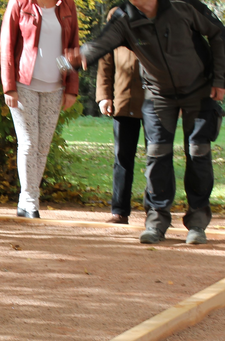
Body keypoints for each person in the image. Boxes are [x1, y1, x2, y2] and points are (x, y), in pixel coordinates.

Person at [66, 0, 225, 244]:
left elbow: (217, 32)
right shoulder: (123, 18)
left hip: (199, 89)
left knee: (198, 150)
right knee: (157, 153)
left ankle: (197, 223)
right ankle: (156, 221)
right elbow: (100, 45)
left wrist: (219, 78)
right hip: (158, 93)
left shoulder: (183, 6)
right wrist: (73, 58)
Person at [0, 0, 80, 219]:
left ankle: (27, 200)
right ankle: (29, 201)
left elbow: (73, 47)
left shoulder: (67, 5)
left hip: (55, 87)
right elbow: (7, 45)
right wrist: (9, 87)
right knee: (28, 143)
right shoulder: (19, 3)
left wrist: (71, 87)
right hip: (24, 84)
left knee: (43, 146)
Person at [96, 8, 145, 225]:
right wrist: (104, 95)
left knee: (158, 158)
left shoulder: (164, 13)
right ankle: (119, 211)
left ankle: (157, 212)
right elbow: (105, 59)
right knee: (122, 158)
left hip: (158, 102)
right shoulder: (117, 15)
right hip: (124, 99)